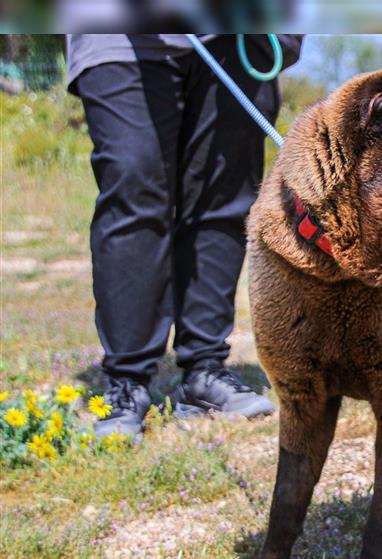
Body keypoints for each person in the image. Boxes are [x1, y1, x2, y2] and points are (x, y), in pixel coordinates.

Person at [67, 34, 303, 440]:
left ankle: (204, 370)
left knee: (224, 198)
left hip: (233, 33)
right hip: (120, 37)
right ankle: (126, 382)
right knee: (133, 184)